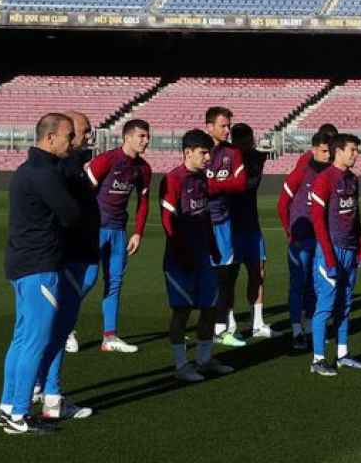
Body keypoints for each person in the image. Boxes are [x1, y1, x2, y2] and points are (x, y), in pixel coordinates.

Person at [0, 113, 81, 434]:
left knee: (21, 339)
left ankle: (7, 407)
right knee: (35, 341)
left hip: (20, 264)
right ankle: (18, 414)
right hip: (40, 266)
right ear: (50, 138)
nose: (71, 143)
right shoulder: (44, 174)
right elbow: (72, 214)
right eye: (68, 136)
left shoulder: (24, 170)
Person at [35, 111, 98, 423]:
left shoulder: (71, 165)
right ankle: (51, 396)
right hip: (70, 258)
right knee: (57, 330)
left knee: (57, 329)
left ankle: (44, 387)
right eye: (82, 133)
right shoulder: (64, 167)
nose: (87, 138)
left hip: (79, 255)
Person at [161, 128, 234, 383]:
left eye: (209, 154)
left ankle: (204, 359)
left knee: (210, 308)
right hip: (180, 260)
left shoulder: (203, 180)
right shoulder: (173, 179)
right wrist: (180, 251)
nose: (208, 159)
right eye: (203, 153)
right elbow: (167, 220)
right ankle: (181, 365)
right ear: (187, 152)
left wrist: (213, 247)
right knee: (181, 312)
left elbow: (204, 217)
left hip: (204, 256)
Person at [80, 119, 153, 353]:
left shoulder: (143, 168)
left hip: (119, 233)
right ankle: (65, 329)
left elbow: (143, 202)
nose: (146, 140)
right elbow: (83, 192)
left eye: (147, 136)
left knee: (114, 284)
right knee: (87, 280)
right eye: (141, 136)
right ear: (127, 137)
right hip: (95, 231)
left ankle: (109, 337)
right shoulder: (108, 160)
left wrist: (138, 233)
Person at [309, 134, 361, 376]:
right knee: (325, 306)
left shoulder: (353, 179)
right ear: (339, 151)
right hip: (330, 251)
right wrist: (329, 256)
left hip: (350, 251)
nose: (356, 154)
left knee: (345, 305)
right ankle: (318, 358)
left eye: (357, 150)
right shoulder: (324, 180)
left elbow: (356, 216)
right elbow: (318, 222)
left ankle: (343, 354)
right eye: (352, 150)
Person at [201, 106, 251, 346]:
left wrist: (216, 185)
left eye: (229, 125)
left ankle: (220, 329)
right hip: (200, 223)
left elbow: (240, 184)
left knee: (226, 275)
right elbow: (195, 184)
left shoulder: (233, 153)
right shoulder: (199, 150)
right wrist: (222, 183)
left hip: (224, 222)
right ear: (209, 126)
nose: (227, 130)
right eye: (223, 125)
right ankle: (205, 326)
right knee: (203, 277)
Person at [279, 131, 332, 349]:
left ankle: (310, 327)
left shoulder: (331, 174)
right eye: (324, 151)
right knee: (297, 285)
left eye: (330, 151)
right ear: (314, 150)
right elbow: (282, 204)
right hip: (300, 238)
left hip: (320, 239)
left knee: (313, 285)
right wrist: (289, 232)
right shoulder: (301, 172)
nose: (328, 155)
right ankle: (296, 330)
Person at [226, 122, 272, 341]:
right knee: (229, 275)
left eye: (249, 141)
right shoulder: (224, 157)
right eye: (243, 142)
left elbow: (249, 184)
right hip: (230, 225)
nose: (248, 145)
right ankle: (229, 322)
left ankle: (257, 322)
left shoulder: (256, 158)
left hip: (251, 225)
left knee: (258, 272)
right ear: (234, 142)